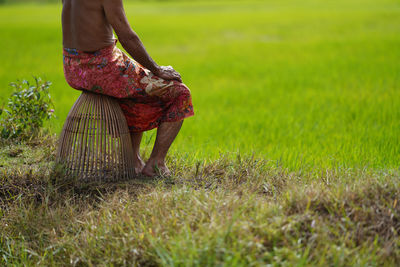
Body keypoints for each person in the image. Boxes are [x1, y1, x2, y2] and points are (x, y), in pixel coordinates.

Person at [61, 0, 194, 177]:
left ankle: (133, 159)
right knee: (180, 93)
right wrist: (157, 69)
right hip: (101, 69)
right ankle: (156, 164)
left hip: (73, 67)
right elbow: (127, 36)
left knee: (137, 81)